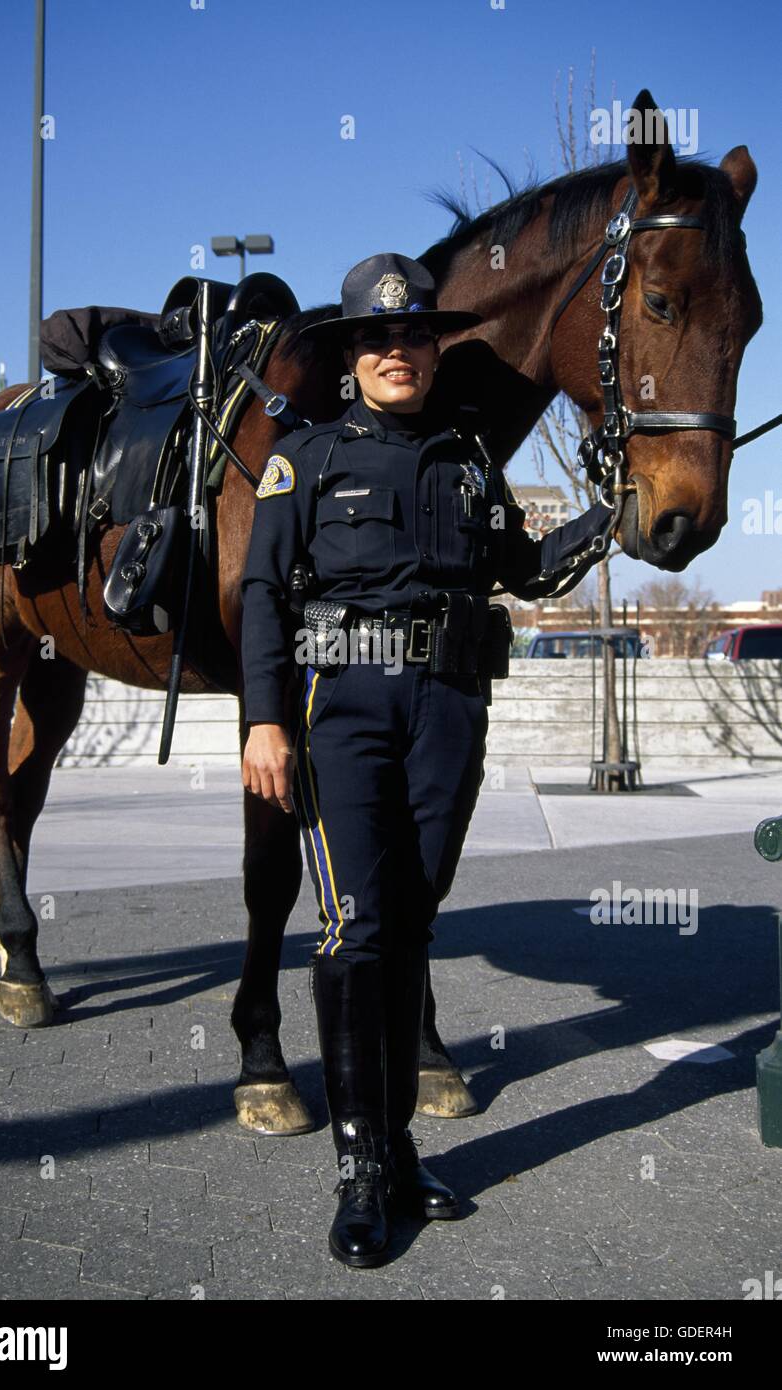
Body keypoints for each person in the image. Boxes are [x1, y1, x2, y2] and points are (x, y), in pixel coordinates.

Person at [240, 253, 612, 1268]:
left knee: (411, 920)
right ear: (351, 356)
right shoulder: (303, 459)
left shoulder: (464, 460)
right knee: (357, 927)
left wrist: (607, 509)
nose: (396, 352)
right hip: (340, 711)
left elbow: (524, 569)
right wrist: (261, 723)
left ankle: (397, 1150)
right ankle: (360, 1169)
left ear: (431, 349)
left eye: (411, 336)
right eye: (376, 338)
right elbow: (263, 597)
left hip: (449, 707)